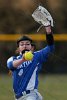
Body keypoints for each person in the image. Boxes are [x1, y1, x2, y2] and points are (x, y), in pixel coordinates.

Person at [7, 9, 55, 100]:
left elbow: (50, 47)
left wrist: (48, 29)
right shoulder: (13, 59)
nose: (25, 46)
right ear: (18, 48)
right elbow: (10, 65)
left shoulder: (36, 56)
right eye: (22, 44)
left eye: (27, 44)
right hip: (18, 97)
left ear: (31, 47)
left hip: (31, 95)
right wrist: (23, 59)